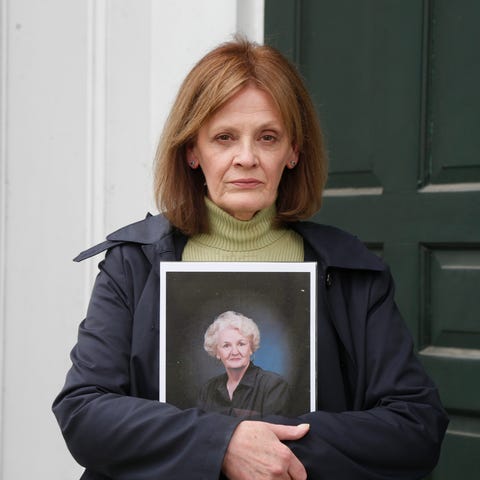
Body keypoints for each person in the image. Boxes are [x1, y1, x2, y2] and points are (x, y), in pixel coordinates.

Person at [53, 38, 448, 480]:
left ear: (293, 151)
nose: (246, 158)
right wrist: (222, 445)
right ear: (192, 152)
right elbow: (84, 412)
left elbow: (416, 426)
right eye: (224, 137)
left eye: (268, 137)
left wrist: (265, 450)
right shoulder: (133, 264)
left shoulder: (352, 272)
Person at [198, 311, 290, 419]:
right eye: (226, 345)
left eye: (241, 344)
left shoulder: (273, 385)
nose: (235, 352)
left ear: (251, 348)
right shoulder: (208, 389)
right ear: (217, 352)